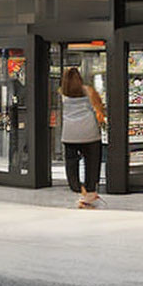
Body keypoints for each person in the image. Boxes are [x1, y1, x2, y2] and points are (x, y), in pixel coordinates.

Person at [59, 67, 105, 208]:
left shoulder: (61, 92)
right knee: (91, 163)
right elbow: (99, 108)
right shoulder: (88, 90)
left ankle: (79, 189)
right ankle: (90, 192)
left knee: (71, 164)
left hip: (69, 134)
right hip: (89, 133)